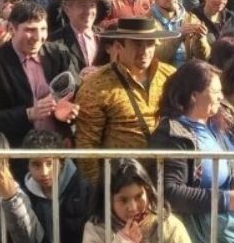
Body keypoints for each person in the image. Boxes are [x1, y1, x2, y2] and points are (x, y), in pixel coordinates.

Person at [148, 60, 234, 243]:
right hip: (193, 235)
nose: (221, 96)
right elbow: (169, 191)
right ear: (194, 95)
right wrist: (225, 199)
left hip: (223, 228)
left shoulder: (222, 120)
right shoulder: (171, 134)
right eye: (216, 91)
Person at [75, 17, 178, 183]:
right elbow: (87, 145)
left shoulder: (170, 76)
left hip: (167, 177)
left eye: (149, 44)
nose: (144, 51)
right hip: (122, 183)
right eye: (137, 44)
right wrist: (98, 192)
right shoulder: (96, 87)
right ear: (119, 46)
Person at [0, 1, 79, 147]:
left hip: (59, 148)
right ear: (11, 28)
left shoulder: (58, 53)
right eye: (30, 30)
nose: (38, 37)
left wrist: (66, 112)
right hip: (18, 153)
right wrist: (29, 114)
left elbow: (76, 94)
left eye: (43, 29)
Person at [80, 158, 196, 243]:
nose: (133, 208)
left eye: (139, 196)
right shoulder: (96, 229)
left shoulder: (167, 224)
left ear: (148, 191)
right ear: (108, 200)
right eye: (123, 200)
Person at [21, 129, 93, 243]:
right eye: (36, 164)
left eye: (50, 163)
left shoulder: (81, 189)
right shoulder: (25, 196)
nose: (44, 172)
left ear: (61, 161)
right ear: (28, 165)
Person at [150, 0, 209, 65]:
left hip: (187, 73)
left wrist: (201, 39)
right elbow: (156, 57)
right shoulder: (146, 21)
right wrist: (178, 35)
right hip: (160, 74)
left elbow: (204, 58)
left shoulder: (191, 18)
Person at [47, 0, 105, 73]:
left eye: (92, 5)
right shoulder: (54, 41)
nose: (88, 11)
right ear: (67, 10)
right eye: (82, 5)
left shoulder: (104, 36)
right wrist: (79, 79)